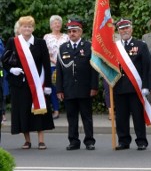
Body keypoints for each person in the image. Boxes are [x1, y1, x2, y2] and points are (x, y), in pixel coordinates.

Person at [2, 16, 55, 149]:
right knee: (23, 111)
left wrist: (47, 85)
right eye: (24, 26)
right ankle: (27, 140)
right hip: (19, 85)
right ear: (19, 28)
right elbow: (5, 60)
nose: (27, 29)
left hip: (38, 83)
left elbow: (46, 65)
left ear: (33, 28)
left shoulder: (40, 43)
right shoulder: (13, 42)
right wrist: (11, 69)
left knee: (38, 111)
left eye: (30, 26)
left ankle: (41, 140)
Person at [55, 18, 99, 150]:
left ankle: (89, 141)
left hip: (85, 88)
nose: (71, 34)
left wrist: (94, 86)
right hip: (69, 88)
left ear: (80, 32)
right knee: (71, 117)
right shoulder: (63, 48)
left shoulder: (88, 47)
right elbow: (59, 70)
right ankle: (73, 141)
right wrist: (59, 89)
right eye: (69, 31)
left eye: (74, 31)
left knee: (87, 116)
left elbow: (94, 69)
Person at [113, 18, 151, 150]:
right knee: (121, 117)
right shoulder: (115, 47)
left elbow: (147, 67)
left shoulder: (140, 45)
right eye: (121, 29)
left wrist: (146, 86)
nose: (124, 31)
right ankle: (123, 141)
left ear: (131, 29)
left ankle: (141, 141)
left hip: (136, 87)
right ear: (118, 31)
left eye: (126, 28)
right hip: (119, 87)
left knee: (138, 116)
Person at [43, 14, 67, 119]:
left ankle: (69, 109)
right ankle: (56, 110)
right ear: (51, 25)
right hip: (52, 66)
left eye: (59, 23)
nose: (57, 25)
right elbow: (44, 52)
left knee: (66, 87)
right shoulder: (47, 37)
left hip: (65, 66)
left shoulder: (66, 36)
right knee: (53, 88)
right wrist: (53, 60)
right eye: (55, 23)